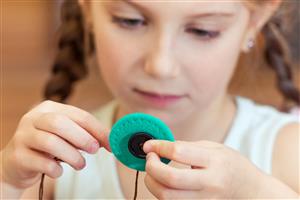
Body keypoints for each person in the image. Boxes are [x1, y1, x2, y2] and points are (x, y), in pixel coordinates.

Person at [1, 0, 299, 199]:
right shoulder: (59, 157)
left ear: (255, 21)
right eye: (130, 21)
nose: (160, 65)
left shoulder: (287, 150)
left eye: (202, 30)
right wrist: (8, 181)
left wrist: (256, 192)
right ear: (88, 10)